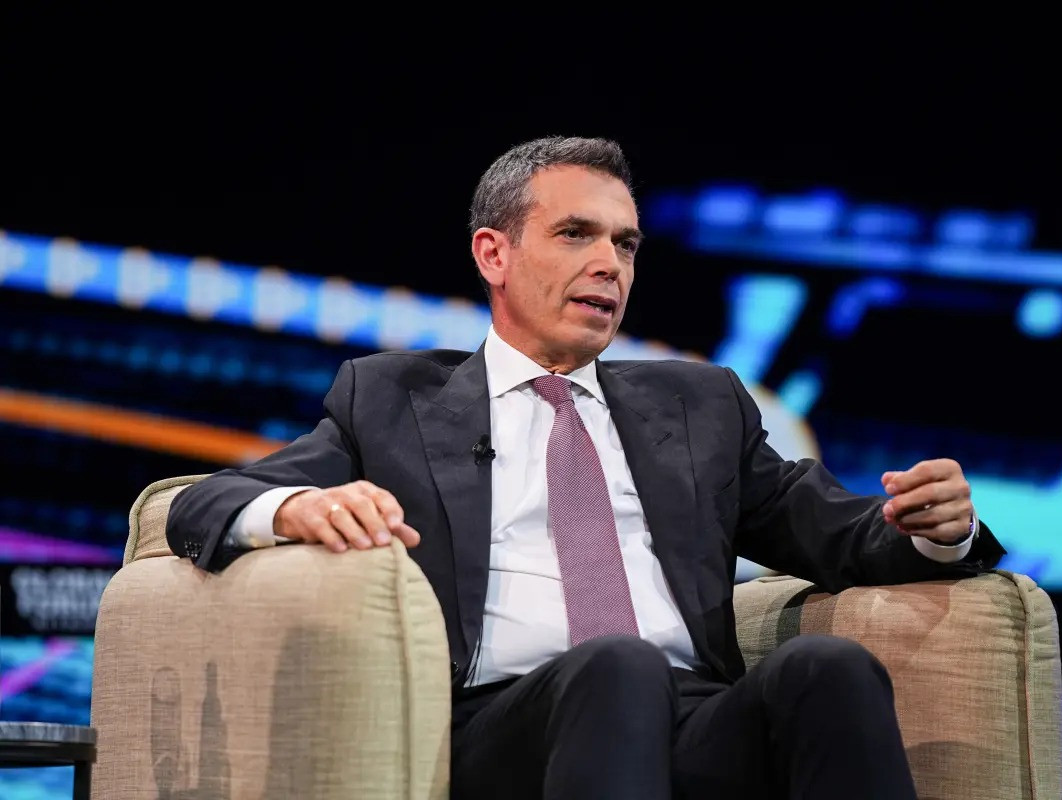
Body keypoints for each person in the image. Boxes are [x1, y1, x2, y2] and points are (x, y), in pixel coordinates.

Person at [167, 135, 1005, 799]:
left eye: (626, 244)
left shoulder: (700, 404)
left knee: (829, 669)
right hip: (500, 724)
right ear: (493, 255)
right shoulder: (392, 399)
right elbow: (206, 503)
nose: (610, 263)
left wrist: (938, 529)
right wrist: (293, 509)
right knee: (618, 663)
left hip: (691, 717)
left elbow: (835, 527)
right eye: (576, 234)